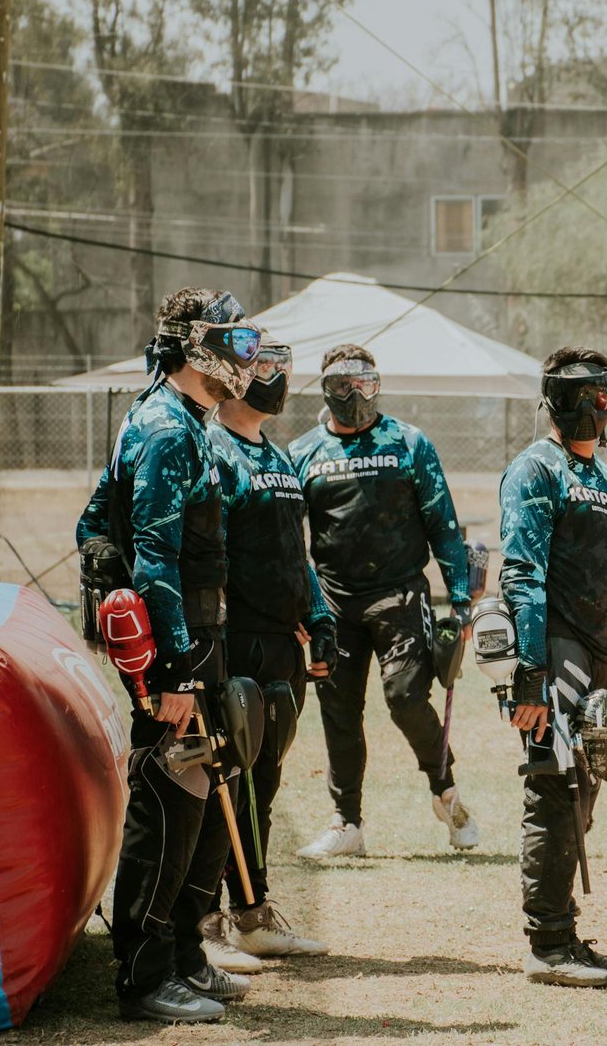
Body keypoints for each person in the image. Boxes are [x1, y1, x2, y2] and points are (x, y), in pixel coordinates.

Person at [75, 288, 261, 1023]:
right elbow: (153, 557)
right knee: (167, 804)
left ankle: (185, 953)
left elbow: (96, 518)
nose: (244, 359)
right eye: (234, 343)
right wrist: (165, 669)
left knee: (206, 801)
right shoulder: (162, 426)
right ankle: (145, 974)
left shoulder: (183, 421)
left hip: (196, 638)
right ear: (195, 345)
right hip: (176, 654)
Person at [498, 345, 607, 987]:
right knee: (554, 789)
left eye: (599, 395)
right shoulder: (534, 470)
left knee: (584, 790)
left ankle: (564, 932)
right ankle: (547, 945)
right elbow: (522, 575)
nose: (592, 408)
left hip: (600, 659)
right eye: (579, 396)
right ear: (554, 401)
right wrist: (531, 673)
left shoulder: (606, 481)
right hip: (555, 654)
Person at [288, 343, 480, 856]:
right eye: (343, 384)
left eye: (364, 381)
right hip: (333, 602)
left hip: (399, 595)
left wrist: (461, 602)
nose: (355, 393)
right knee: (339, 710)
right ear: (327, 388)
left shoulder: (409, 443)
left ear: (377, 383)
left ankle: (447, 792)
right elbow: (287, 540)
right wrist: (300, 607)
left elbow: (443, 523)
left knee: (405, 699)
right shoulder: (303, 452)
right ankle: (346, 822)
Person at [198, 341, 336, 972]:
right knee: (219, 781)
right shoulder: (212, 449)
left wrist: (319, 617)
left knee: (263, 782)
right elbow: (205, 555)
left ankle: (253, 915)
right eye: (262, 368)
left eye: (283, 368)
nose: (275, 380)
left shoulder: (277, 454)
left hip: (282, 647)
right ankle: (204, 925)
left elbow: (293, 553)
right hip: (235, 642)